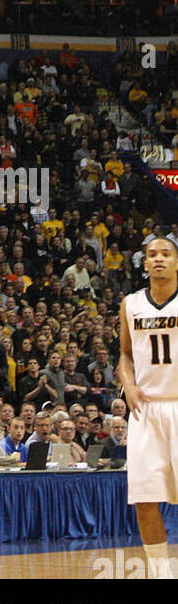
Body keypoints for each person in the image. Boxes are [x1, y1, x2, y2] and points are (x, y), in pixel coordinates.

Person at [119, 236, 178, 578]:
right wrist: (128, 382)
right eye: (152, 255)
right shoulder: (130, 304)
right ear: (144, 264)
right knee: (144, 500)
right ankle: (161, 574)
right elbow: (125, 354)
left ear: (176, 262)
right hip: (146, 410)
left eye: (165, 254)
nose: (158, 259)